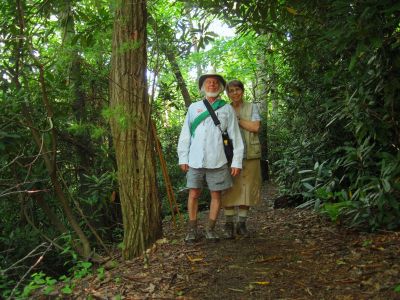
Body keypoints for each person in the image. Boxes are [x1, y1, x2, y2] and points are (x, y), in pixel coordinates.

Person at [177, 74, 244, 243]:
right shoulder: (194, 107)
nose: (212, 85)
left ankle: (210, 229)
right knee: (193, 193)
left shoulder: (226, 108)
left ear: (220, 87)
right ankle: (192, 230)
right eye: (208, 82)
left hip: (218, 159)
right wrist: (183, 157)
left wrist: (236, 161)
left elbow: (235, 135)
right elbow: (185, 134)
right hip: (195, 159)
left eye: (215, 83)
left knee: (216, 194)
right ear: (203, 87)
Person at [221, 79, 262, 239]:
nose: (234, 93)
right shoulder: (225, 109)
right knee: (230, 189)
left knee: (247, 189)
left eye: (237, 90)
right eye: (231, 91)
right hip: (230, 155)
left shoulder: (252, 107)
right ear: (227, 94)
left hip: (251, 153)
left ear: (242, 91)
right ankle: (229, 223)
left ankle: (242, 223)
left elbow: (255, 127)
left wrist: (236, 121)